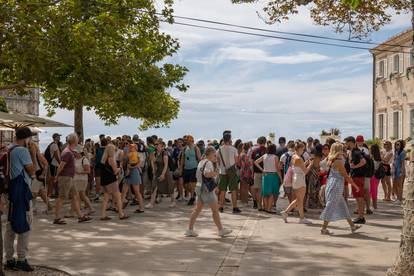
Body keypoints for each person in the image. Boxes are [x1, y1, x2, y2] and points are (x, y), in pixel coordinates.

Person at [4, 127, 35, 272]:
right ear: (26, 138)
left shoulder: (8, 148)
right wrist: (33, 154)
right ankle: (22, 259)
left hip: (9, 191)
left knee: (10, 226)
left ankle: (9, 259)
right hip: (21, 191)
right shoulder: (22, 151)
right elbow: (31, 170)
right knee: (25, 223)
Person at [184, 147, 232, 238]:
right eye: (214, 155)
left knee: (197, 210)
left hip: (199, 188)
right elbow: (206, 174)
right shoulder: (208, 163)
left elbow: (199, 175)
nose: (215, 156)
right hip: (207, 190)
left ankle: (189, 229)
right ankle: (221, 230)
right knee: (215, 210)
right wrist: (215, 173)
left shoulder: (201, 162)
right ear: (210, 154)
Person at [320, 143, 362, 235]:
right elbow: (346, 176)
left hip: (331, 183)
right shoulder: (338, 161)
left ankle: (352, 226)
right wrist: (355, 186)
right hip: (336, 184)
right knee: (331, 205)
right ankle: (323, 228)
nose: (343, 150)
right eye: (342, 149)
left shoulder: (330, 159)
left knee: (342, 206)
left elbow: (322, 167)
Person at [53, 133, 92, 225]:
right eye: (77, 139)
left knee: (75, 196)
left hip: (69, 177)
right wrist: (56, 176)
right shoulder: (67, 152)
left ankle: (80, 216)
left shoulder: (69, 151)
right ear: (75, 141)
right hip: (66, 177)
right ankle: (57, 217)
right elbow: (61, 166)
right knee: (62, 197)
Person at [280, 142, 312, 224]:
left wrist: (306, 163)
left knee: (299, 200)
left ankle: (301, 218)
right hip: (300, 178)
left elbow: (299, 167)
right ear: (300, 149)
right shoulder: (298, 158)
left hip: (296, 178)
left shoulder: (293, 156)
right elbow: (305, 171)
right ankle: (286, 212)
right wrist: (310, 164)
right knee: (299, 199)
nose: (303, 150)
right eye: (303, 149)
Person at [100, 143, 129, 220]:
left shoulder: (103, 159)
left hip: (104, 180)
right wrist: (120, 168)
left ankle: (103, 215)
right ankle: (121, 214)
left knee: (106, 197)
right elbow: (115, 171)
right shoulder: (111, 159)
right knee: (118, 197)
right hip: (111, 180)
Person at [344, 136, 367, 224]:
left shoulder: (356, 152)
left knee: (359, 197)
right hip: (356, 177)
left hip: (358, 177)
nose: (346, 144)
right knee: (358, 197)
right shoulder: (352, 151)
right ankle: (360, 216)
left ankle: (361, 217)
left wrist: (354, 166)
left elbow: (363, 161)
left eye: (347, 142)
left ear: (351, 142)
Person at [217, 132, 241, 214]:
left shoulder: (219, 149)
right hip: (232, 171)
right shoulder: (234, 149)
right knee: (233, 190)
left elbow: (218, 161)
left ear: (223, 139)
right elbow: (237, 161)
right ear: (230, 139)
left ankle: (221, 207)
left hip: (222, 172)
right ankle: (234, 207)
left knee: (222, 190)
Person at [254, 144, 281, 214]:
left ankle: (266, 208)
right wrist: (281, 178)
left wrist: (262, 169)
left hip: (265, 175)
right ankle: (269, 209)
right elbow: (277, 169)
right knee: (272, 193)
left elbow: (255, 162)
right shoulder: (275, 157)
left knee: (265, 193)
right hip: (273, 175)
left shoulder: (264, 156)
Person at [148, 140, 175, 208]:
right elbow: (153, 162)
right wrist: (153, 170)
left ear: (162, 146)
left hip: (165, 171)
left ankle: (173, 201)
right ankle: (151, 203)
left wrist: (163, 174)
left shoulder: (164, 153)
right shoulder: (155, 153)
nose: (156, 146)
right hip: (158, 171)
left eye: (158, 145)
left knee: (169, 186)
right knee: (154, 187)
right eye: (155, 144)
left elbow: (166, 165)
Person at [28, 140, 52, 214]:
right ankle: (50, 207)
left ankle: (33, 208)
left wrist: (43, 174)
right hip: (36, 175)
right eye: (29, 145)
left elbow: (46, 164)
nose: (29, 146)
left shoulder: (38, 155)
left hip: (38, 175)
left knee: (33, 193)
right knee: (41, 193)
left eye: (31, 145)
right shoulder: (30, 154)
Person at [122, 143, 144, 212]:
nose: (130, 148)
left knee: (136, 191)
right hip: (128, 172)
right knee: (124, 190)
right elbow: (124, 162)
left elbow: (139, 164)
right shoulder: (128, 154)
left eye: (132, 147)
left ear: (136, 147)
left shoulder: (138, 154)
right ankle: (120, 206)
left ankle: (141, 208)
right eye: (130, 147)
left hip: (134, 172)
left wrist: (131, 166)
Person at [180, 135, 201, 206]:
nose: (186, 141)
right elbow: (182, 158)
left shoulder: (196, 148)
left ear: (191, 140)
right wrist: (180, 168)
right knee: (185, 185)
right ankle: (193, 193)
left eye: (187, 140)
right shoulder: (185, 148)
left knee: (192, 184)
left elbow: (199, 158)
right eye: (185, 140)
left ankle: (192, 198)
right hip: (186, 168)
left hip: (194, 168)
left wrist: (200, 168)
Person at [73, 145, 94, 215]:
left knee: (80, 194)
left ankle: (89, 208)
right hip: (76, 179)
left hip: (82, 179)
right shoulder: (75, 159)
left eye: (75, 152)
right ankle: (81, 209)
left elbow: (88, 171)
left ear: (79, 152)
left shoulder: (84, 159)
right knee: (80, 195)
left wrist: (79, 172)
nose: (74, 153)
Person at [250, 136, 267, 210]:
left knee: (257, 190)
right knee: (263, 190)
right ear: (265, 142)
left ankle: (259, 205)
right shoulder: (267, 150)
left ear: (258, 142)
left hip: (256, 172)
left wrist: (252, 172)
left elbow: (251, 163)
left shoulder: (254, 151)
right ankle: (263, 205)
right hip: (266, 172)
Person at [47, 133, 62, 197]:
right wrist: (60, 163)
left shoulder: (52, 144)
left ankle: (50, 193)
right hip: (54, 164)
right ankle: (50, 193)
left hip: (53, 164)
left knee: (52, 179)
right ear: (55, 137)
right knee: (53, 179)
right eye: (58, 136)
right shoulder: (55, 145)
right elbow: (56, 155)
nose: (59, 138)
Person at [392, 140, 406, 205]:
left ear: (401, 145)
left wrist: (402, 172)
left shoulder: (402, 152)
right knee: (396, 185)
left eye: (398, 144)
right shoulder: (396, 152)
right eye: (396, 144)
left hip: (400, 170)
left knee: (399, 185)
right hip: (395, 170)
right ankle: (398, 198)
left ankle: (399, 199)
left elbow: (403, 163)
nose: (396, 146)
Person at [369, 144, 382, 210]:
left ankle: (373, 206)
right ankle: (374, 206)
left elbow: (373, 167)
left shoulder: (371, 157)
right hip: (377, 176)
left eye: (370, 148)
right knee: (374, 190)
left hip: (372, 175)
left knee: (371, 191)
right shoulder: (379, 157)